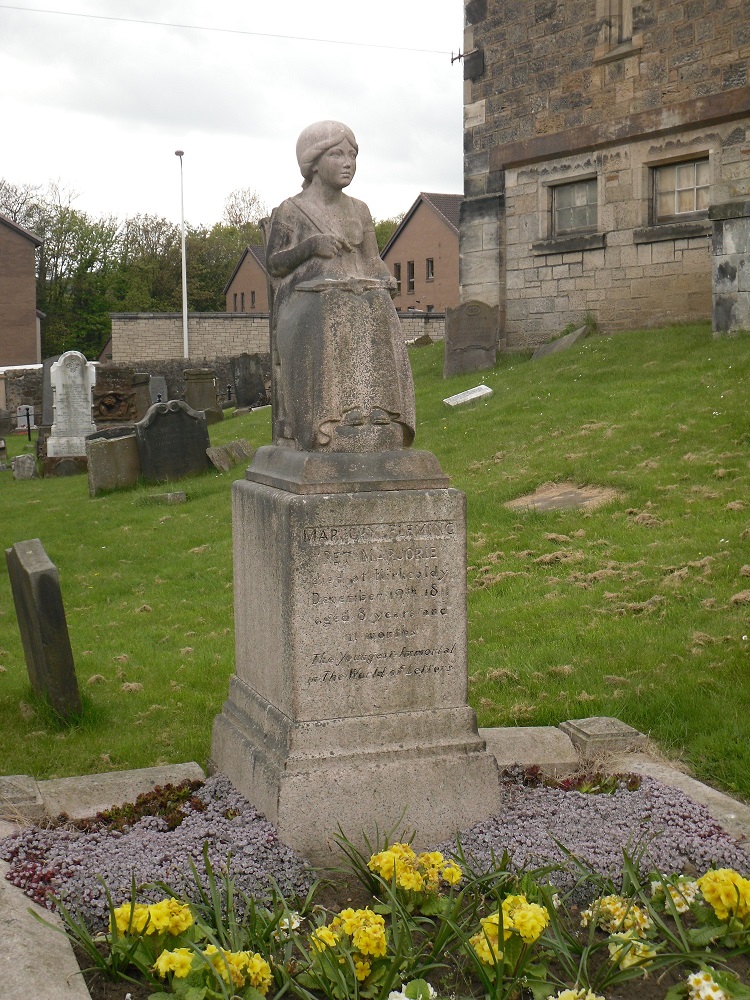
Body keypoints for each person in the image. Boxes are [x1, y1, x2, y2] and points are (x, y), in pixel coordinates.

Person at [264, 120, 415, 452]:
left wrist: (385, 278)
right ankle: (330, 419)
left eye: (353, 155)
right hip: (303, 305)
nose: (349, 163)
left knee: (379, 306)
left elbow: (372, 260)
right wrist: (310, 246)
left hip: (354, 295)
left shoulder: (359, 210)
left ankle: (381, 411)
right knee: (334, 307)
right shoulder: (292, 210)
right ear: (314, 163)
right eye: (337, 154)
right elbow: (274, 263)